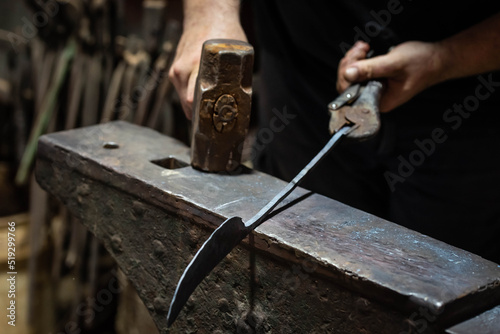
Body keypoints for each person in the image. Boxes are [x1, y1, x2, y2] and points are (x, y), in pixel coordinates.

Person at [169, 0, 500, 264]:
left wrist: (444, 59)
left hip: (467, 95)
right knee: (296, 253)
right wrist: (210, 14)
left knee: (442, 275)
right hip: (303, 66)